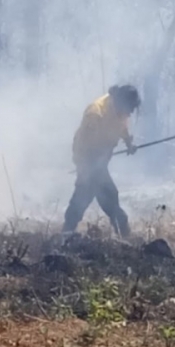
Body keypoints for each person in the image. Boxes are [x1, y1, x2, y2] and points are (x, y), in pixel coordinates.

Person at [62, 84, 141, 238]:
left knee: (90, 196)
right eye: (130, 108)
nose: (130, 113)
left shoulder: (120, 112)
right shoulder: (95, 113)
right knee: (98, 195)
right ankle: (124, 233)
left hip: (100, 162)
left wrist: (128, 143)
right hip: (88, 159)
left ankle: (66, 232)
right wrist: (85, 168)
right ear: (121, 102)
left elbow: (122, 126)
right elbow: (84, 144)